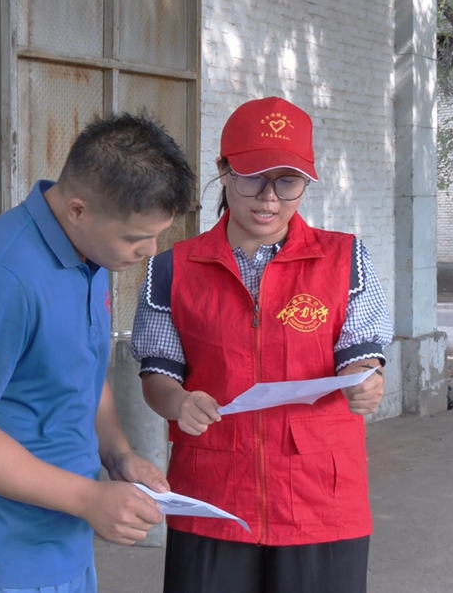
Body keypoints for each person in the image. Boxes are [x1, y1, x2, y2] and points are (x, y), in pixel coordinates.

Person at [132, 96, 394, 593]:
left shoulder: (346, 259)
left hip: (319, 497)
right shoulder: (172, 268)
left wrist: (364, 380)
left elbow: (361, 351)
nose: (269, 199)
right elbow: (157, 375)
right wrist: (178, 402)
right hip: (213, 496)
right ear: (223, 170)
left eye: (288, 181)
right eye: (252, 178)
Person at [0, 112, 197, 593]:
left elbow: (82, 370)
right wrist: (88, 498)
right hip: (2, 552)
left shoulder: (89, 255)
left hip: (64, 536)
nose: (151, 251)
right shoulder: (2, 278)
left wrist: (118, 455)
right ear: (77, 210)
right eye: (136, 238)